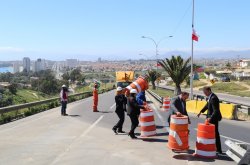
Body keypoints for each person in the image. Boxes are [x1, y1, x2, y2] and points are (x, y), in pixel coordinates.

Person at [197, 86, 222, 154]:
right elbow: (207, 105)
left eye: (205, 92)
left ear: (209, 91)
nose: (204, 94)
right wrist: (201, 111)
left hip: (213, 118)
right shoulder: (210, 97)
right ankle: (214, 148)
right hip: (210, 118)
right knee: (211, 134)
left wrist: (210, 118)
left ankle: (219, 149)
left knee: (215, 134)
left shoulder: (214, 98)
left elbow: (216, 110)